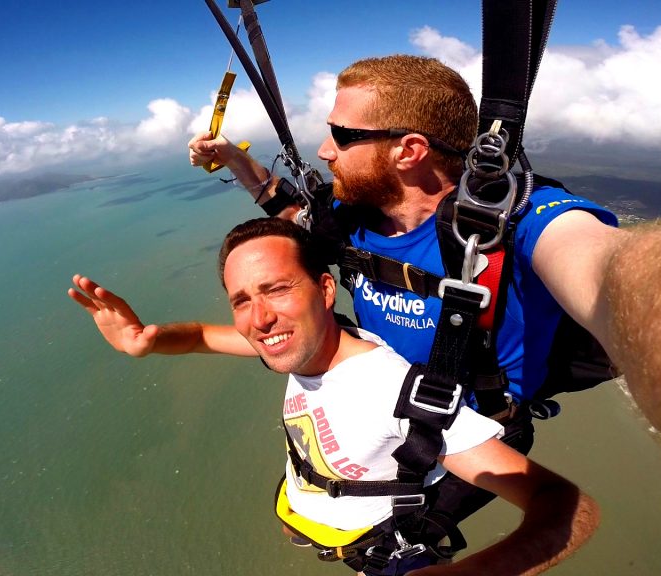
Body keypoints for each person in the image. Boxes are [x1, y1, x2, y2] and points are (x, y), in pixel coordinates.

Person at [184, 55, 661, 574]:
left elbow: (616, 271)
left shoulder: (518, 225)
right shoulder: (353, 215)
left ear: (408, 150)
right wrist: (237, 161)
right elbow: (287, 210)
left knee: (393, 549)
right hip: (394, 416)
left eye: (343, 137)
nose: (324, 150)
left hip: (473, 436)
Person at [68, 217, 599, 575]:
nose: (259, 319)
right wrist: (148, 341)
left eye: (276, 289)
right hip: (314, 513)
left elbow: (567, 509)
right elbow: (206, 336)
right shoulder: (298, 345)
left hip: (378, 548)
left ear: (325, 290)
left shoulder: (392, 391)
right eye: (242, 300)